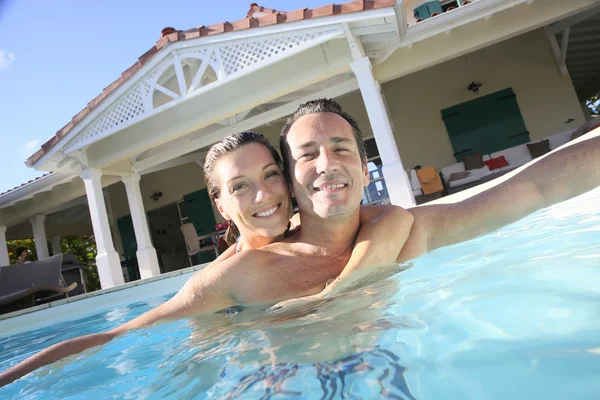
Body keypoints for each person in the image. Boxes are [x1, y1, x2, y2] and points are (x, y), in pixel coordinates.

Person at [3, 98, 600, 386]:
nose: (326, 163)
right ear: (295, 178)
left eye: (341, 148)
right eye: (306, 154)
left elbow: (537, 188)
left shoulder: (404, 228)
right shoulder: (236, 278)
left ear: (362, 166)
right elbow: (114, 339)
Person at [0, 130, 414, 387]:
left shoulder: (324, 238)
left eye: (271, 175)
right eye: (239, 186)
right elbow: (116, 337)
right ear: (220, 205)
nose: (264, 195)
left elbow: (387, 216)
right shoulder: (219, 281)